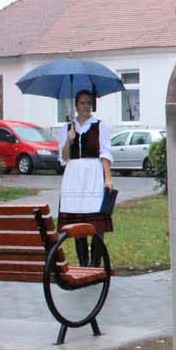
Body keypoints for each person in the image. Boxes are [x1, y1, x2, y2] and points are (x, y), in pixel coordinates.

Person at [59, 89, 114, 267]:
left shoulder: (99, 125)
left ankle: (95, 263)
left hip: (93, 175)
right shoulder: (68, 128)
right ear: (76, 105)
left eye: (89, 103)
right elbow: (64, 157)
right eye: (82, 103)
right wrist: (69, 140)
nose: (86, 106)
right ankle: (83, 263)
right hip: (74, 177)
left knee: (96, 221)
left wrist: (107, 178)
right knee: (78, 220)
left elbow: (105, 153)